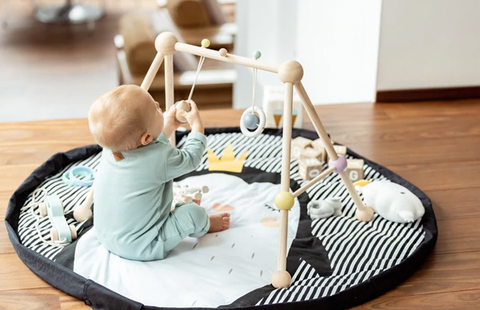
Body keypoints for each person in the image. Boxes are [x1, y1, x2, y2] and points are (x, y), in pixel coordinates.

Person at [88, 85, 230, 261]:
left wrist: (168, 124)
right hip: (143, 245)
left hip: (106, 234)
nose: (158, 105)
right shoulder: (160, 157)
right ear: (147, 138)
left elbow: (146, 151)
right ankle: (206, 226)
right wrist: (197, 128)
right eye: (155, 109)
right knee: (195, 214)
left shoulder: (111, 148)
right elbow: (191, 158)